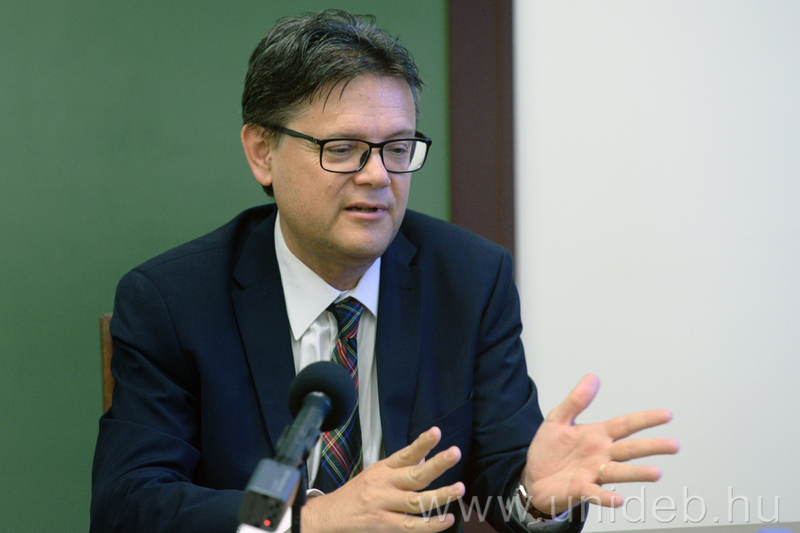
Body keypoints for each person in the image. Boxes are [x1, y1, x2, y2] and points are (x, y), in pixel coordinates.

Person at [91, 9, 678, 533]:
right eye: (343, 148)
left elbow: (509, 484)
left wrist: (534, 496)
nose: (377, 176)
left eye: (397, 148)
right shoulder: (174, 301)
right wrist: (311, 522)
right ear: (262, 152)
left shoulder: (470, 280)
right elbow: (129, 506)